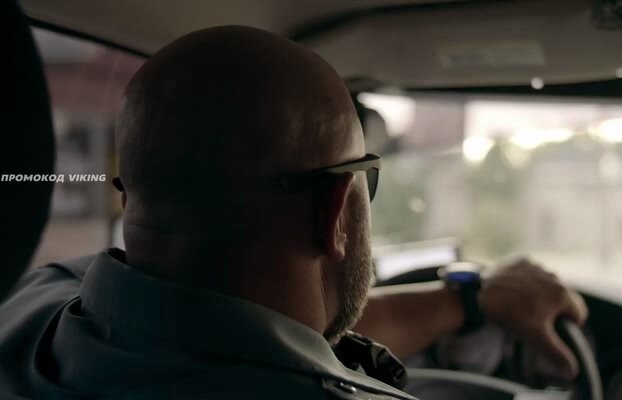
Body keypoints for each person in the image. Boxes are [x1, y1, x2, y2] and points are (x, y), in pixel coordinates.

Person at [0, 25, 586, 399]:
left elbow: (235, 332)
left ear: (129, 195)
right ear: (335, 211)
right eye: (366, 178)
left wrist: (463, 301)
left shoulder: (31, 305)